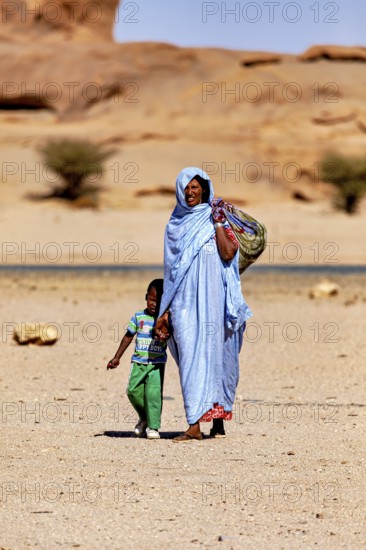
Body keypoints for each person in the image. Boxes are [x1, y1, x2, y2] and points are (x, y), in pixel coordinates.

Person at [156, 167, 252, 442]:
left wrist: (219, 221)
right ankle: (194, 424)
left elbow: (228, 252)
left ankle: (216, 419)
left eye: (195, 188)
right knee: (190, 356)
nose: (190, 193)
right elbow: (171, 272)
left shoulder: (215, 219)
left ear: (205, 190)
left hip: (216, 302)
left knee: (220, 357)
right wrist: (165, 311)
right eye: (186, 188)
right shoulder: (175, 225)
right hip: (184, 303)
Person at [107, 279, 168, 440]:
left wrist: (163, 336)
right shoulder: (139, 316)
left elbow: (172, 337)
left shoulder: (165, 319)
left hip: (156, 364)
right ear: (146, 297)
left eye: (159, 301)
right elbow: (128, 336)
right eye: (152, 299)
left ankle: (153, 427)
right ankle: (145, 417)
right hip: (138, 362)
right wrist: (117, 357)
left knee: (153, 394)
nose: (155, 304)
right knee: (132, 391)